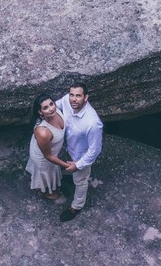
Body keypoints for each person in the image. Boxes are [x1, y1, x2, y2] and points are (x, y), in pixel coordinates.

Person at [55, 81, 103, 221]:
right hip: (70, 147)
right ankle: (72, 176)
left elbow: (95, 150)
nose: (73, 99)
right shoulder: (67, 100)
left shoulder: (93, 123)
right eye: (71, 95)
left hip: (81, 157)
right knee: (74, 175)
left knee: (81, 181)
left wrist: (78, 165)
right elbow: (56, 106)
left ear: (86, 98)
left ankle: (76, 206)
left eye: (78, 96)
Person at [26, 93, 75, 200]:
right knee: (46, 173)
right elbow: (48, 156)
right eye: (45, 108)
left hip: (51, 152)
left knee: (53, 169)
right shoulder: (43, 132)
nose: (51, 109)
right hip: (43, 158)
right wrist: (67, 166)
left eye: (51, 104)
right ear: (40, 112)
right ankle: (44, 191)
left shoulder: (57, 110)